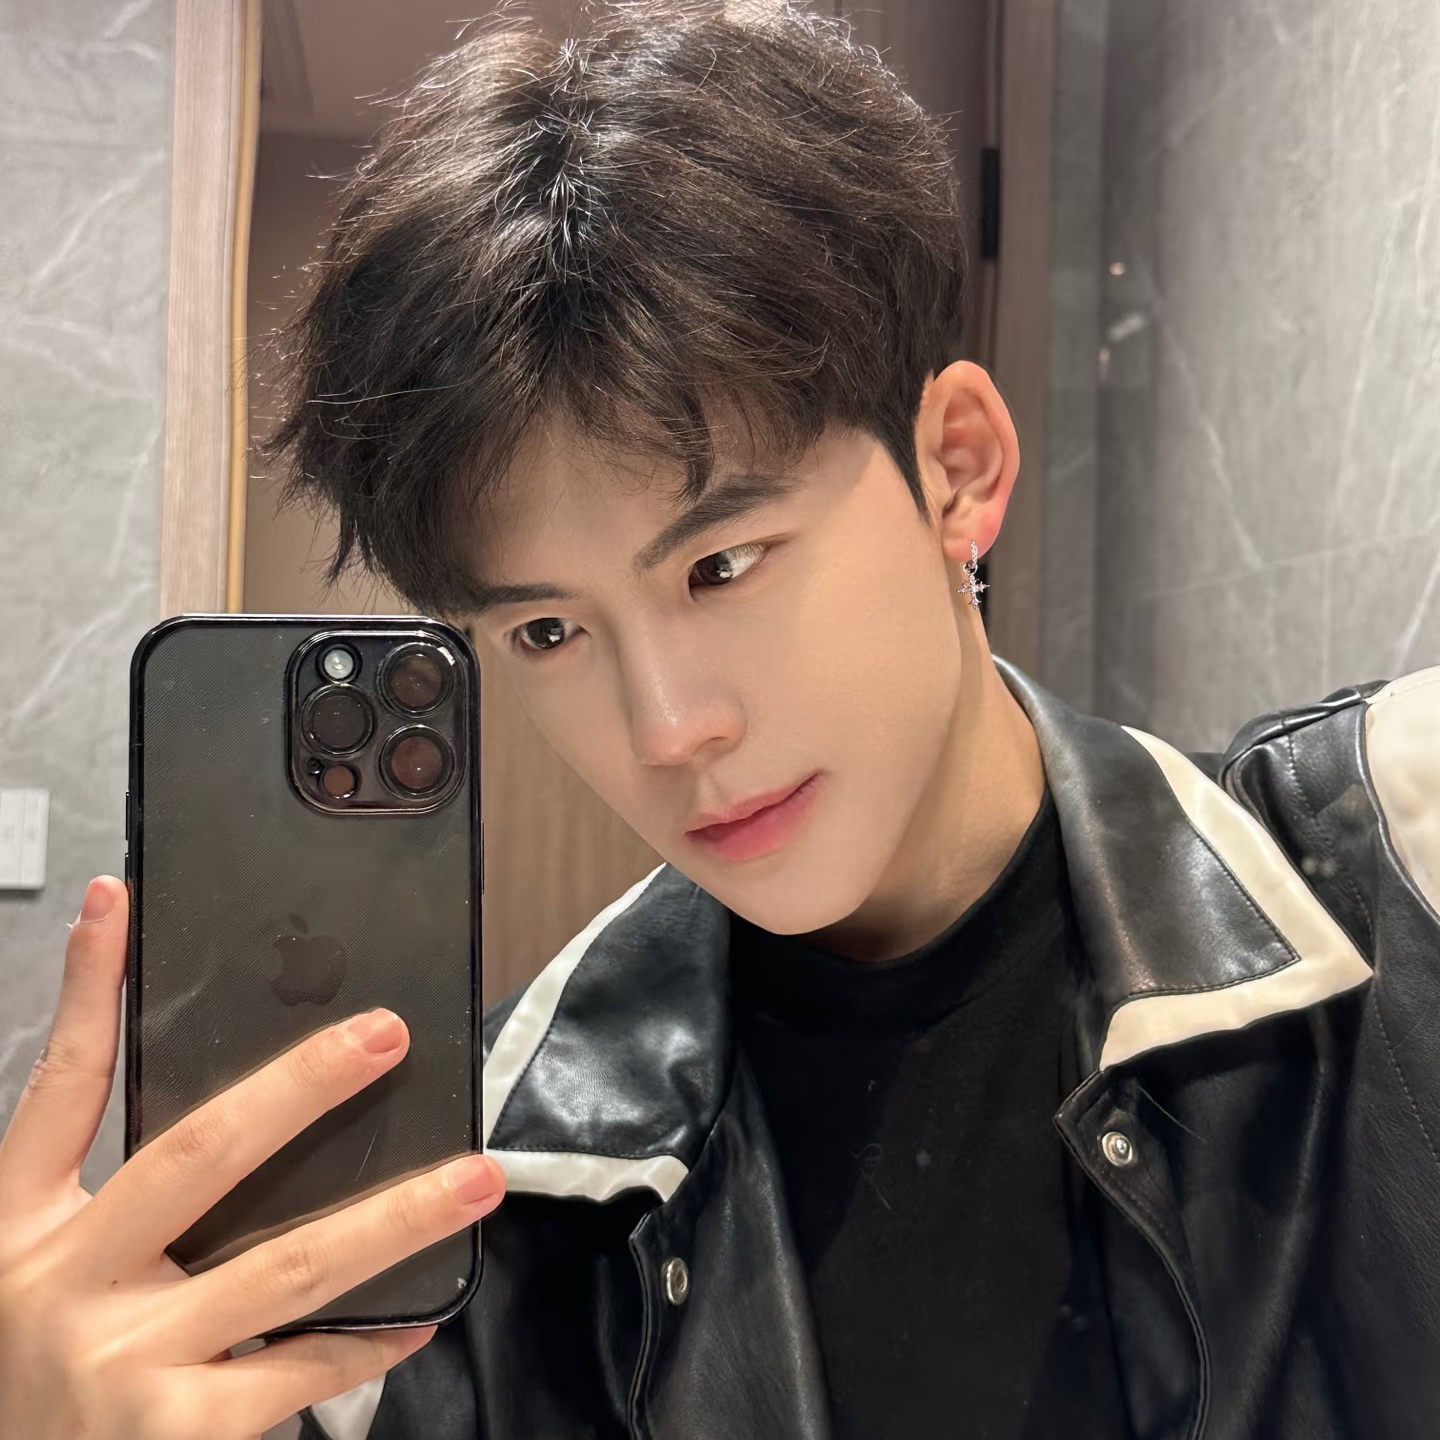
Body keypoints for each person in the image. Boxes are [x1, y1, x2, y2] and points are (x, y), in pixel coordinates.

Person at [2, 3, 1437, 1438]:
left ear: (956, 468)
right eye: (548, 632)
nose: (668, 728)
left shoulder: (1398, 883)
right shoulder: (496, 1193)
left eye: (723, 564)